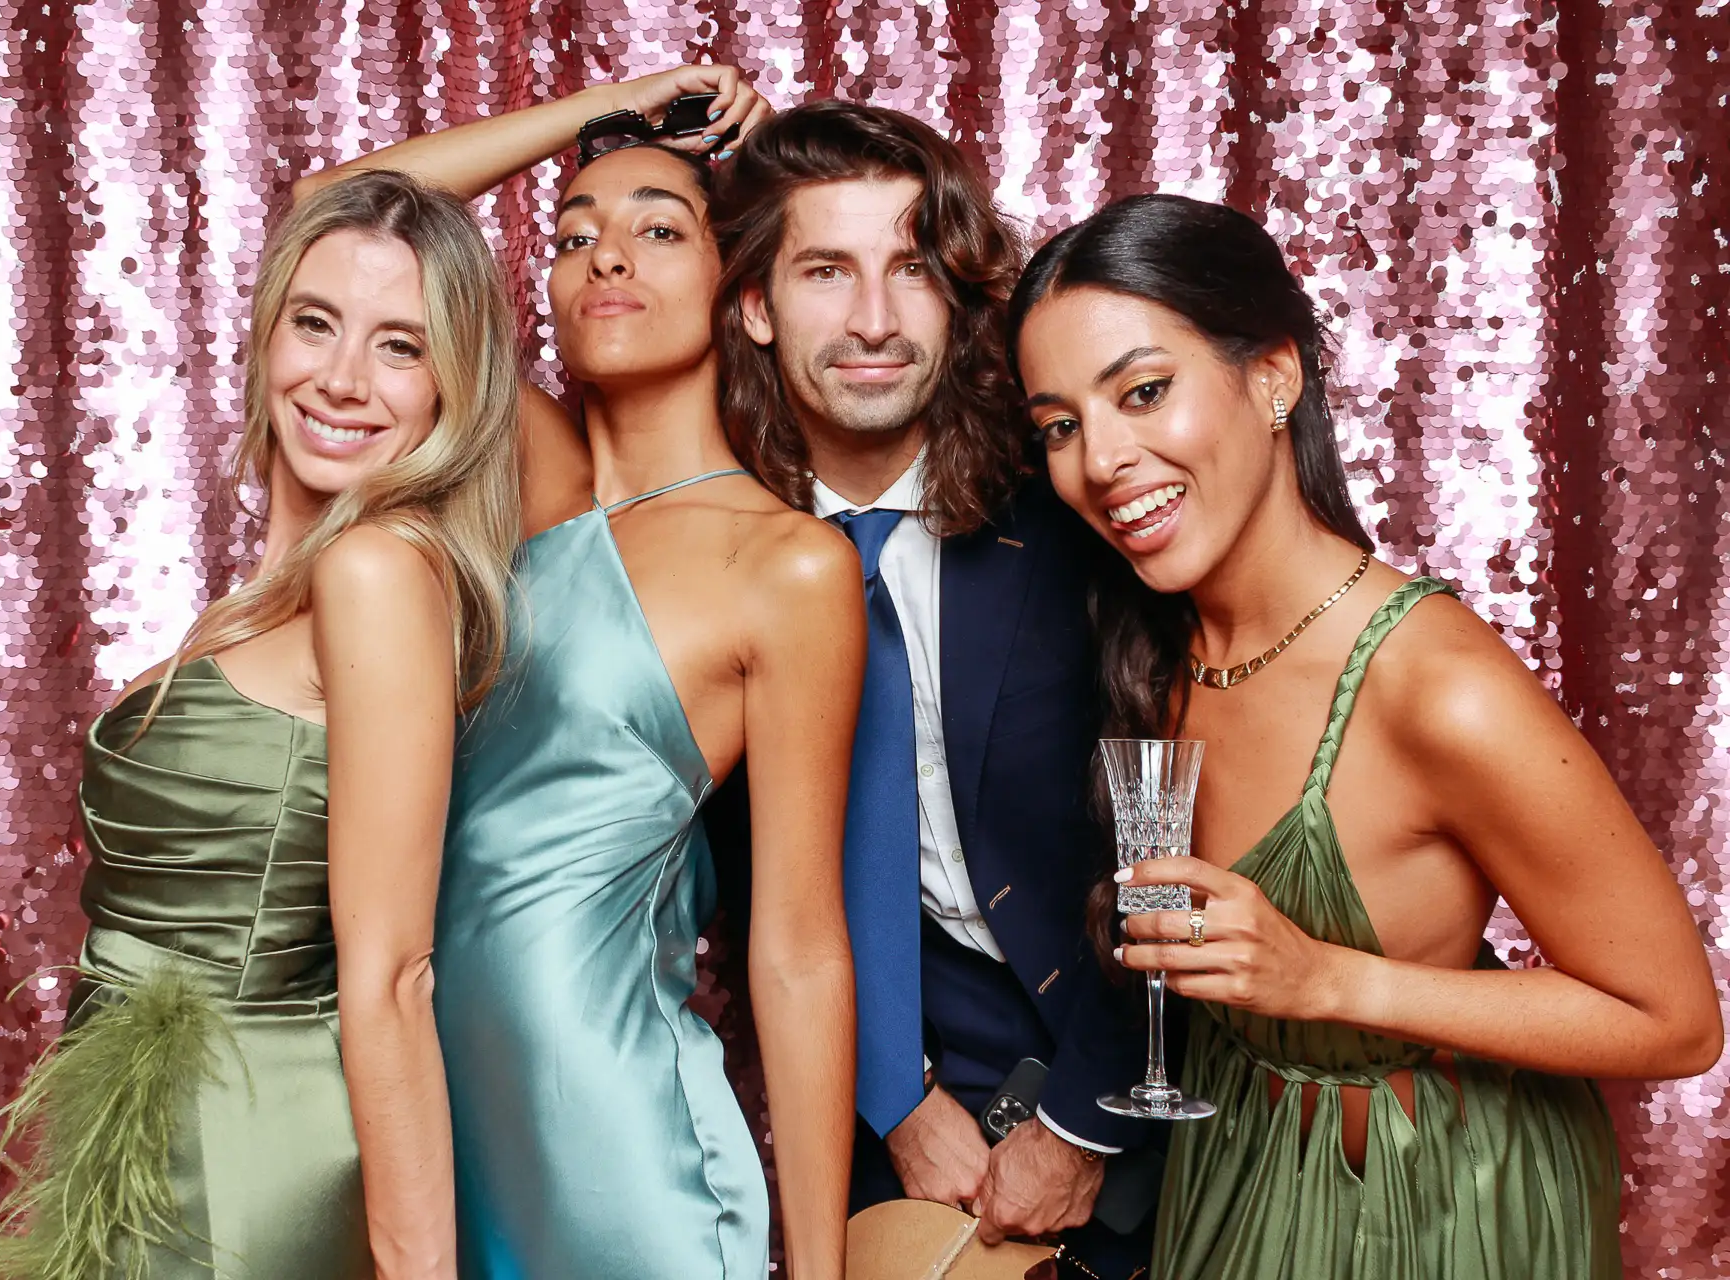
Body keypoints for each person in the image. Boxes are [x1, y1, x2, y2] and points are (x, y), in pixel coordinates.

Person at [1008, 192, 1724, 1280]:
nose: (1101, 459)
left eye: (1144, 391)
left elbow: (1672, 1020)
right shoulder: (1152, 651)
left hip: (1434, 1204)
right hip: (1229, 1167)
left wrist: (1326, 978)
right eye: (1060, 425)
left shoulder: (1437, 687)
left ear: (1272, 378)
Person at [301, 66, 860, 1280]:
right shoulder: (520, 472)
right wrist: (612, 102)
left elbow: (801, 947)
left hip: (621, 1143)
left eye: (661, 230)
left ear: (745, 300)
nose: (608, 256)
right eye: (574, 236)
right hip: (431, 1117)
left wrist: (822, 1272)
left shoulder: (790, 565)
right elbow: (331, 213)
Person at [0, 170, 524, 1279]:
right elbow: (334, 198)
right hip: (145, 1127)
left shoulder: (376, 570)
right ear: (267, 334)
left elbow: (395, 972)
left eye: (402, 345)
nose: (343, 379)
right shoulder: (277, 589)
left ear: (456, 382)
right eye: (315, 323)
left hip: (248, 1148)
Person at [705, 101, 1156, 1278]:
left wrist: (1083, 1120)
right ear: (753, 304)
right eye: (824, 270)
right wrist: (893, 1095)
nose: (872, 319)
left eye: (910, 267)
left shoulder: (1078, 503)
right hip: (869, 1102)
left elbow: (1193, 819)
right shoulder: (710, 555)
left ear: (957, 295)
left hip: (1141, 1081)